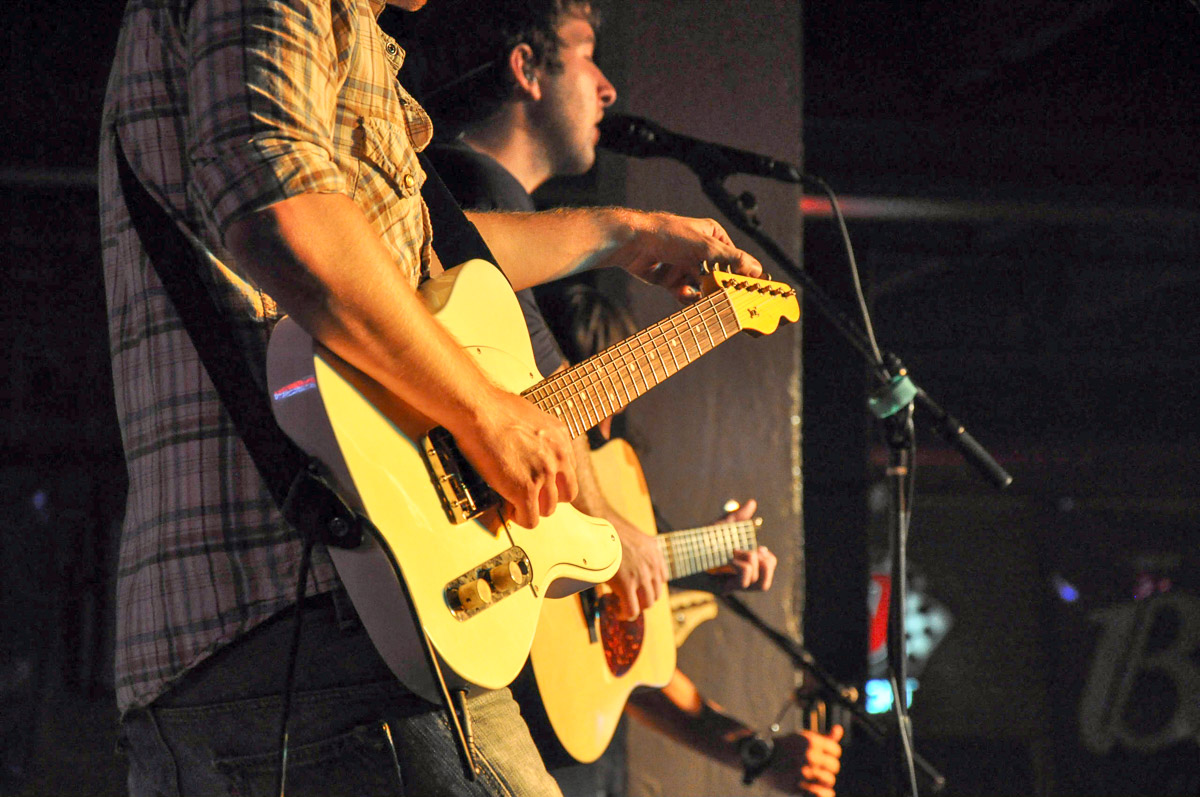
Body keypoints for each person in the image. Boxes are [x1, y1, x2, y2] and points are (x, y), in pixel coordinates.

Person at [98, 0, 764, 794]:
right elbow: (276, 206)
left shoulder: (357, 37)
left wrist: (629, 235)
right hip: (325, 611)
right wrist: (486, 412)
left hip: (264, 632)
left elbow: (409, 255)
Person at [410, 3, 843, 795]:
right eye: (587, 56)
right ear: (525, 67)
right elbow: (540, 412)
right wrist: (612, 525)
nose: (609, 89)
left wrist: (683, 558)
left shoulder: (510, 220)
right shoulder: (466, 195)